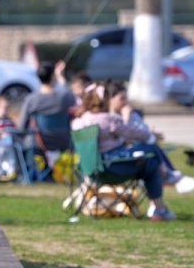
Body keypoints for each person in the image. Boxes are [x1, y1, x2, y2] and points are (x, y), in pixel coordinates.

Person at [71, 84, 176, 220]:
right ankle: (160, 203)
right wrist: (150, 135)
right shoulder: (107, 120)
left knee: (149, 160)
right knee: (151, 157)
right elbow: (133, 132)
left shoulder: (79, 121)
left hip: (90, 171)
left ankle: (164, 186)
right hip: (111, 168)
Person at [104, 80, 194, 195]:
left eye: (126, 98)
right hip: (122, 160)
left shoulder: (132, 113)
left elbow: (139, 131)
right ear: (110, 99)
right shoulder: (109, 118)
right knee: (150, 150)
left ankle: (160, 199)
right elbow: (124, 137)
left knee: (152, 159)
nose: (125, 102)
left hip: (137, 155)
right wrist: (127, 119)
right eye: (122, 99)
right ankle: (172, 177)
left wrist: (148, 133)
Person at [18, 61, 76, 155]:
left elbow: (22, 128)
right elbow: (70, 95)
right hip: (64, 144)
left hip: (39, 147)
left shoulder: (31, 100)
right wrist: (60, 76)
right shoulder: (64, 97)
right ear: (53, 77)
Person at [0, 95, 20, 181]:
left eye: (7, 108)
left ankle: (11, 172)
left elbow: (14, 129)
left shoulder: (9, 120)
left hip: (9, 145)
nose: (6, 110)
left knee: (11, 159)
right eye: (4, 108)